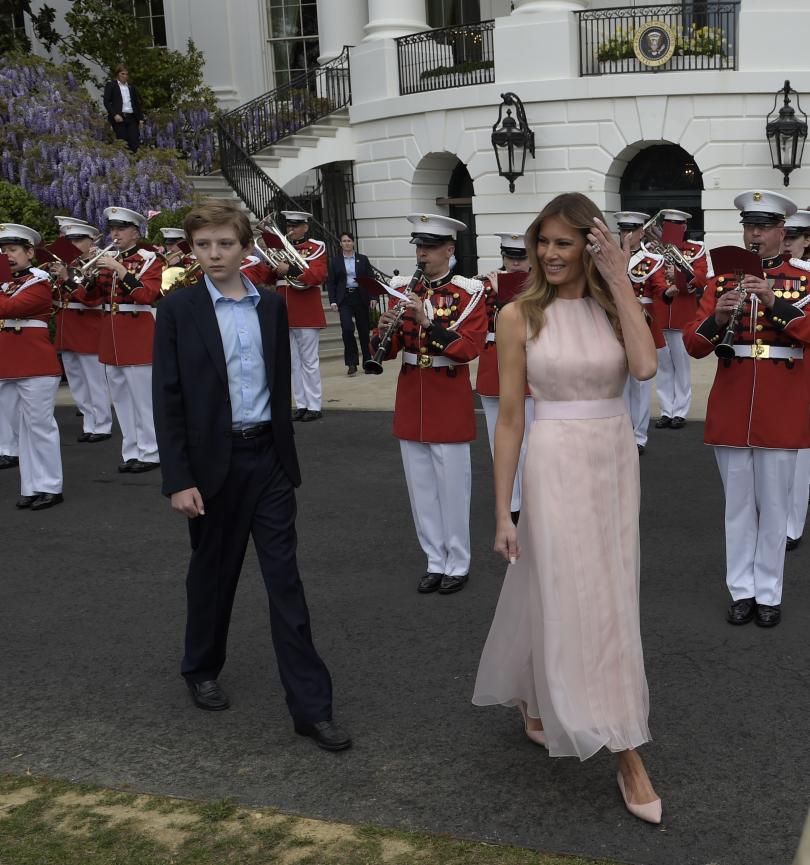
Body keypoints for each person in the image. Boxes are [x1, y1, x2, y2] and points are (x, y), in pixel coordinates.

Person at [473, 193, 661, 823]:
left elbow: (644, 367)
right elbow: (509, 421)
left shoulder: (614, 309)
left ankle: (533, 695)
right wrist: (504, 512)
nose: (551, 254)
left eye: (564, 242)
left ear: (590, 245)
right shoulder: (517, 315)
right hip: (552, 460)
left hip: (611, 461)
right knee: (579, 592)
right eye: (543, 242)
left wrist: (620, 282)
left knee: (607, 589)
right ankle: (626, 749)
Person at [152, 199, 350, 752]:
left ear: (244, 248)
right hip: (211, 468)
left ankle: (312, 708)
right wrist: (178, 478)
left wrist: (284, 455)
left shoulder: (272, 306)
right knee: (213, 575)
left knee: (285, 580)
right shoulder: (178, 310)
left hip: (267, 460)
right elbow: (166, 399)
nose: (213, 254)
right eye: (203, 245)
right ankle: (200, 666)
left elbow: (279, 384)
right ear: (192, 249)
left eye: (224, 244)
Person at [683, 190, 810, 629]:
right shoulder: (722, 281)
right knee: (737, 507)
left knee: (774, 508)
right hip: (733, 406)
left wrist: (775, 302)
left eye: (763, 227)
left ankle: (769, 592)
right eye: (748, 226)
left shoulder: (804, 280)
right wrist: (717, 317)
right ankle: (742, 590)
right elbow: (694, 345)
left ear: (782, 231)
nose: (753, 234)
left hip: (782, 407)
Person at [373, 213, 487, 595]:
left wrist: (428, 323)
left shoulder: (469, 292)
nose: (422, 254)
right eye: (419, 247)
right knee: (420, 488)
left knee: (453, 488)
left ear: (449, 250)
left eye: (430, 247)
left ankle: (458, 562)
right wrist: (383, 329)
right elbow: (386, 350)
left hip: (448, 395)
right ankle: (434, 560)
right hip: (412, 397)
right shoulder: (401, 287)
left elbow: (467, 349)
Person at [71, 206, 162, 473]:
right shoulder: (108, 257)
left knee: (143, 399)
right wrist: (88, 279)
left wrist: (119, 269)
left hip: (137, 332)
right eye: (112, 229)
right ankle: (132, 451)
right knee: (121, 399)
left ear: (135, 232)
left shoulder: (149, 259)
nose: (115, 234)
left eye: (120, 229)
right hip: (111, 334)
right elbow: (88, 299)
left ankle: (151, 451)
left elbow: (146, 295)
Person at [0, 224, 64, 510]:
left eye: (13, 250)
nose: (7, 256)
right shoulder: (6, 284)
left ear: (30, 253)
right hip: (8, 364)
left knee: (39, 426)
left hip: (36, 365)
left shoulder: (39, 282)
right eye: (3, 251)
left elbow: (9, 309)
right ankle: (31, 486)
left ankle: (50, 485)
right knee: (19, 429)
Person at [475, 232, 533, 520]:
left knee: (529, 441)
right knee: (498, 440)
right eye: (510, 257)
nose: (515, 264)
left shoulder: (541, 286)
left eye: (521, 258)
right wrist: (496, 296)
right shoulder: (483, 285)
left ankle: (533, 501)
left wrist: (508, 297)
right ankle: (510, 504)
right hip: (493, 368)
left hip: (528, 369)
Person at [49, 219, 113, 443]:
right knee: (76, 382)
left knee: (95, 381)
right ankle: (89, 423)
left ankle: (102, 425)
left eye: (79, 239)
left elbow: (92, 301)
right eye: (70, 240)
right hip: (67, 328)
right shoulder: (66, 264)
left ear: (91, 241)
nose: (74, 244)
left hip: (88, 328)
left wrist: (67, 279)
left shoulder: (99, 266)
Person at [650, 209, 707, 429]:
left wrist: (681, 274)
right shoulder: (654, 249)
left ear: (683, 227)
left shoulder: (696, 249)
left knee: (682, 365)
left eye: (675, 225)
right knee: (664, 365)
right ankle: (666, 410)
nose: (670, 229)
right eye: (667, 225)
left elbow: (702, 278)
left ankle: (680, 411)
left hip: (683, 312)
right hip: (661, 312)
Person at [617, 211, 668, 454]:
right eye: (622, 230)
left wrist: (668, 292)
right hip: (616, 321)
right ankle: (622, 433)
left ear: (641, 232)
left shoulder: (653, 260)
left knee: (640, 382)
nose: (626, 235)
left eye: (631, 231)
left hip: (641, 320)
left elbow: (659, 287)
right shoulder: (612, 258)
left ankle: (638, 436)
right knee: (618, 381)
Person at [275, 211, 327, 421]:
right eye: (289, 226)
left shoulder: (315, 247)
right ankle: (301, 404)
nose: (291, 230)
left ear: (306, 227)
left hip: (305, 309)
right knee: (293, 362)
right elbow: (270, 276)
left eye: (296, 226)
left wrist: (291, 269)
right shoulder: (279, 248)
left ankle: (314, 405)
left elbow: (318, 275)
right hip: (284, 310)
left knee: (309, 361)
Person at [784, 209, 810, 550]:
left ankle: (792, 518)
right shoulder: (772, 275)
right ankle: (788, 519)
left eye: (793, 238)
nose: (787, 243)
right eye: (784, 237)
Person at [326, 231, 375, 376]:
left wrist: (373, 297)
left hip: (361, 297)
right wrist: (333, 300)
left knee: (364, 331)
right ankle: (352, 363)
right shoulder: (335, 261)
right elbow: (331, 283)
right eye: (344, 241)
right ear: (340, 244)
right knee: (347, 329)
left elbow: (370, 279)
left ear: (353, 243)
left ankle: (367, 362)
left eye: (349, 241)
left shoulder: (363, 259)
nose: (347, 243)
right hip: (344, 298)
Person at [103, 65, 144, 153]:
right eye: (122, 74)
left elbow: (136, 103)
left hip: (132, 117)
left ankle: (134, 164)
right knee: (122, 143)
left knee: (134, 143)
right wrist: (114, 114)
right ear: (117, 74)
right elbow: (106, 102)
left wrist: (140, 118)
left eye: (126, 74)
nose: (125, 76)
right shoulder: (111, 85)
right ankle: (124, 164)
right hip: (119, 118)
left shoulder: (131, 87)